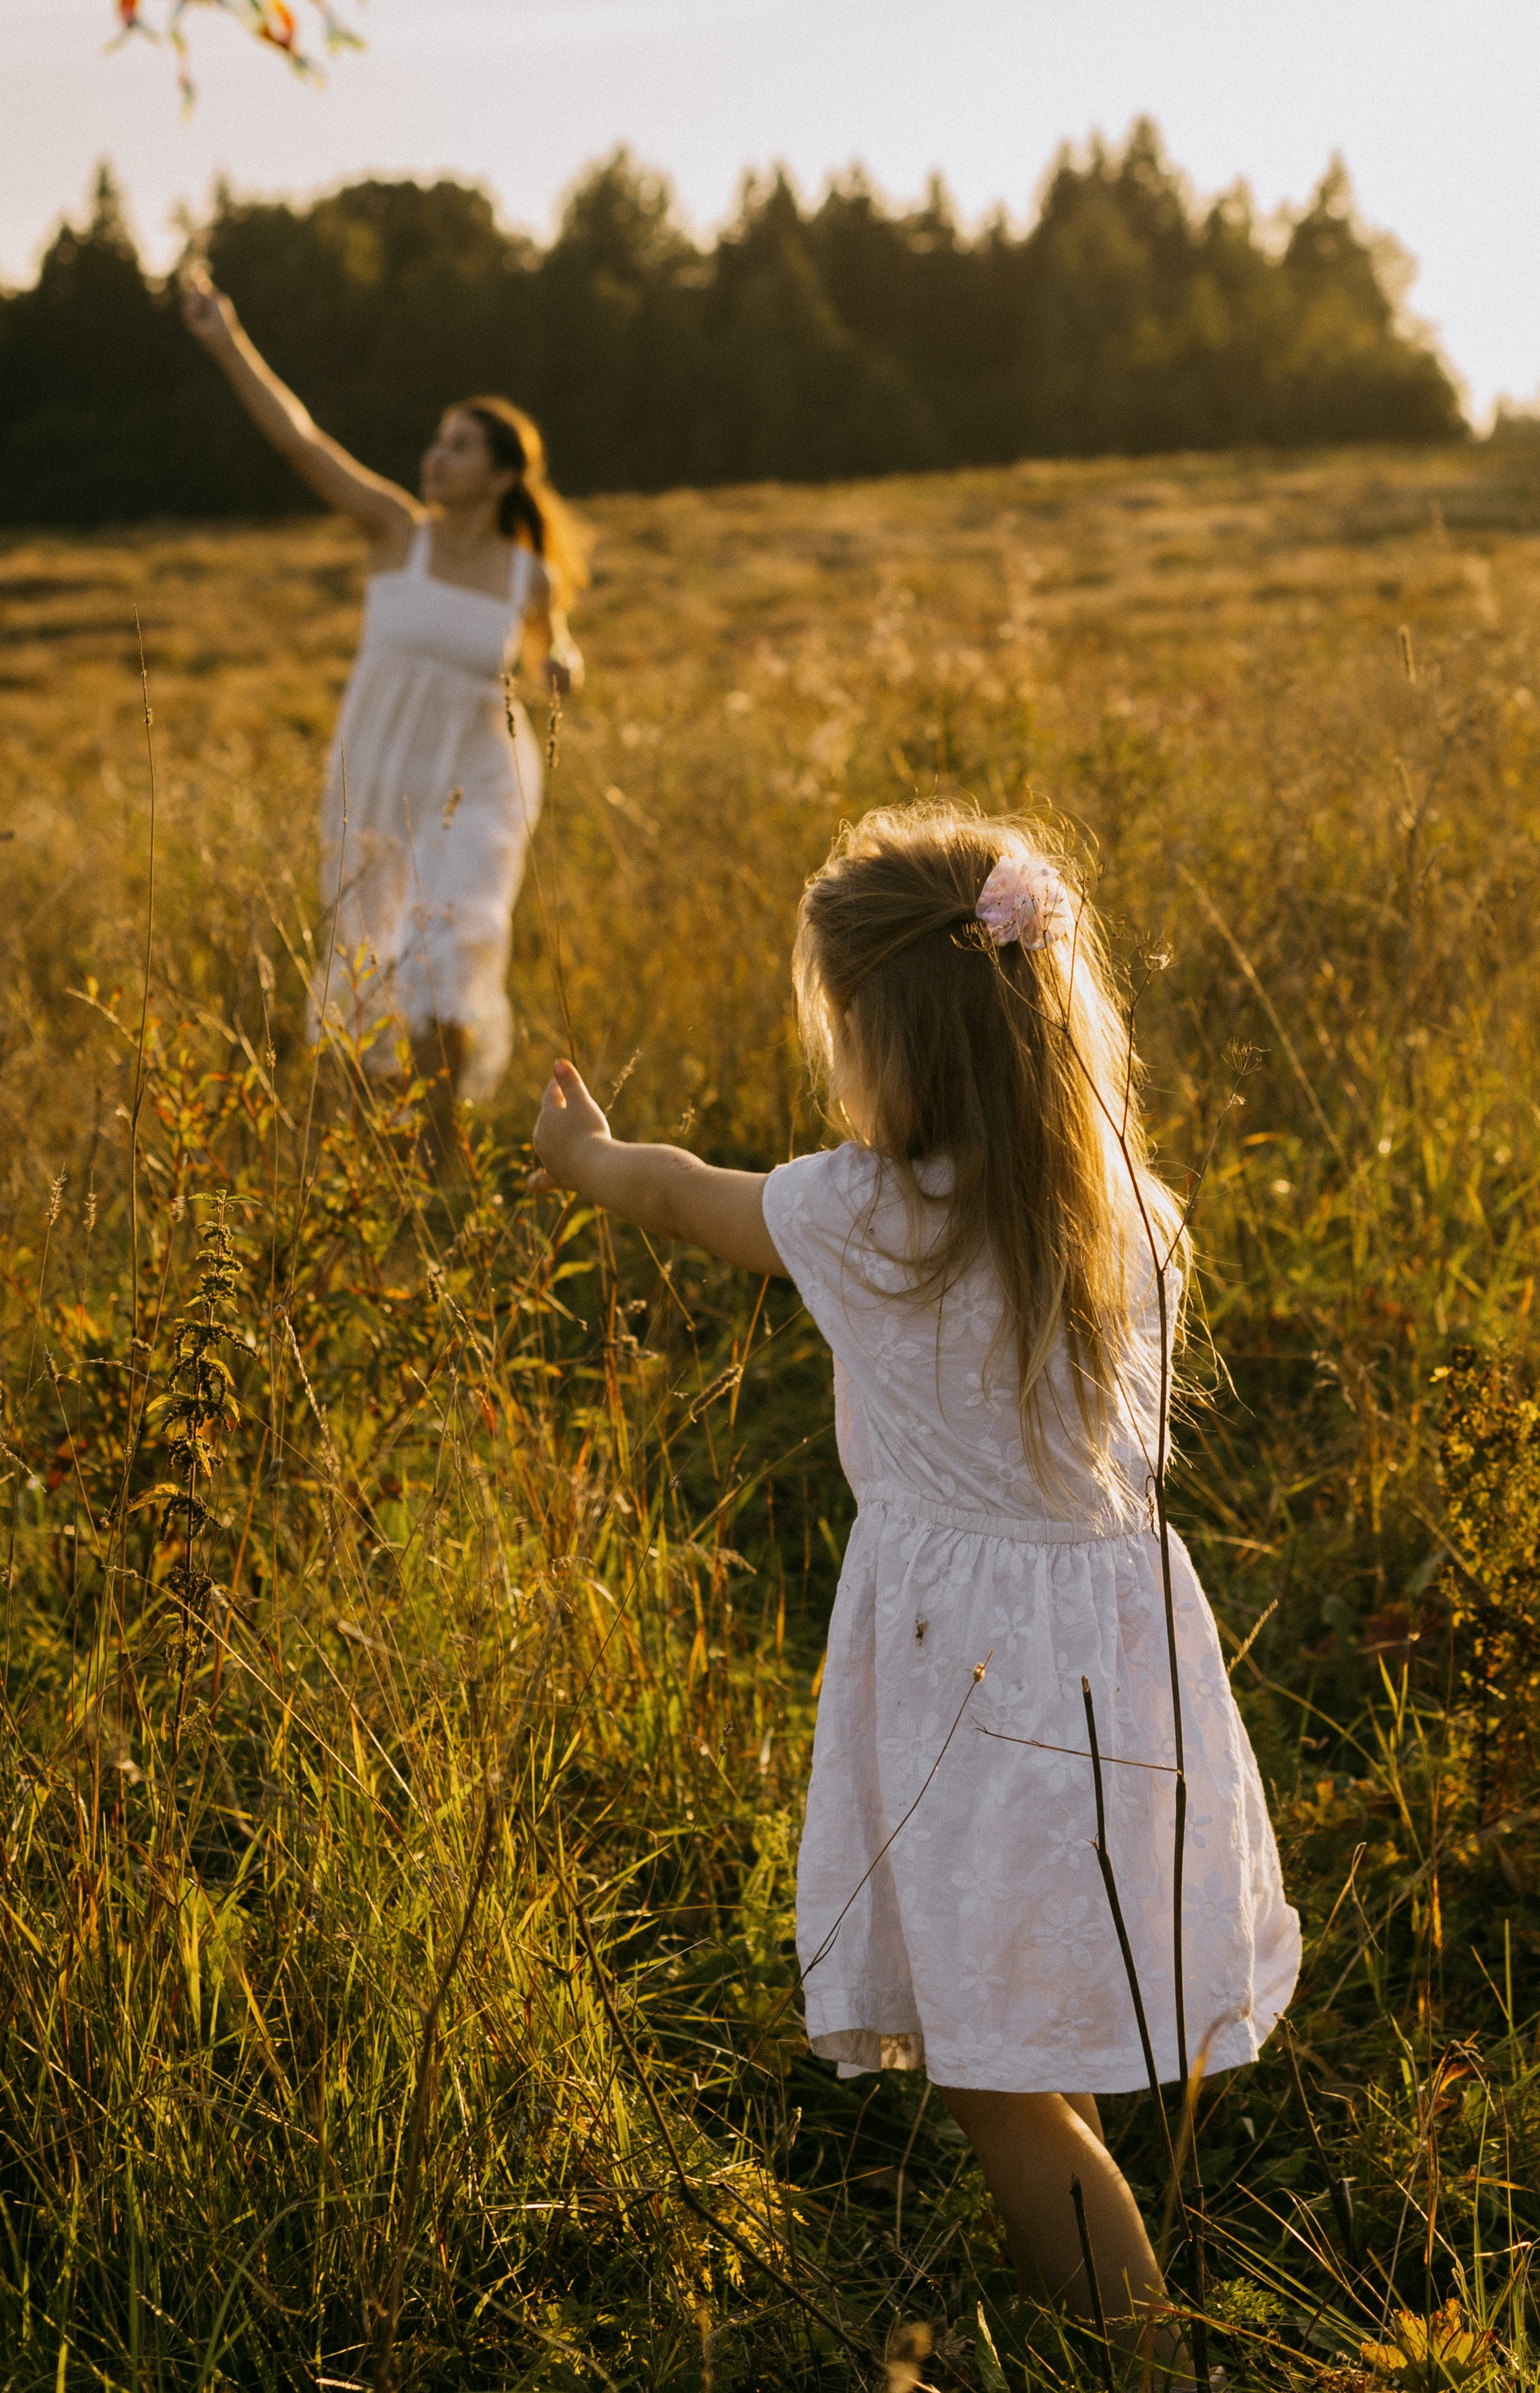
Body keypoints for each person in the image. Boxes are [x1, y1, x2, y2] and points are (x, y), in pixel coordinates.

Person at [529, 801, 1301, 2365]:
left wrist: (586, 1156)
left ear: (886, 1041)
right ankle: (1115, 2313)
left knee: (982, 2063)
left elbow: (682, 1193)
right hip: (1116, 1645)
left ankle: (1136, 2353)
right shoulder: (1127, 1219)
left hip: (965, 1669)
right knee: (1029, 1986)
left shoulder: (860, 1216)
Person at [181, 269, 590, 1103]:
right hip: (379, 775)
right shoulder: (394, 531)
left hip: (480, 780)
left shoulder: (527, 577)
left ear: (502, 476)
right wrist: (224, 336)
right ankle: (376, 1151)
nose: (436, 457)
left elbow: (558, 647)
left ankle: (440, 1148)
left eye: (460, 447)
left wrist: (564, 666)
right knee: (371, 957)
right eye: (436, 442)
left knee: (452, 943)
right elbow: (301, 443)